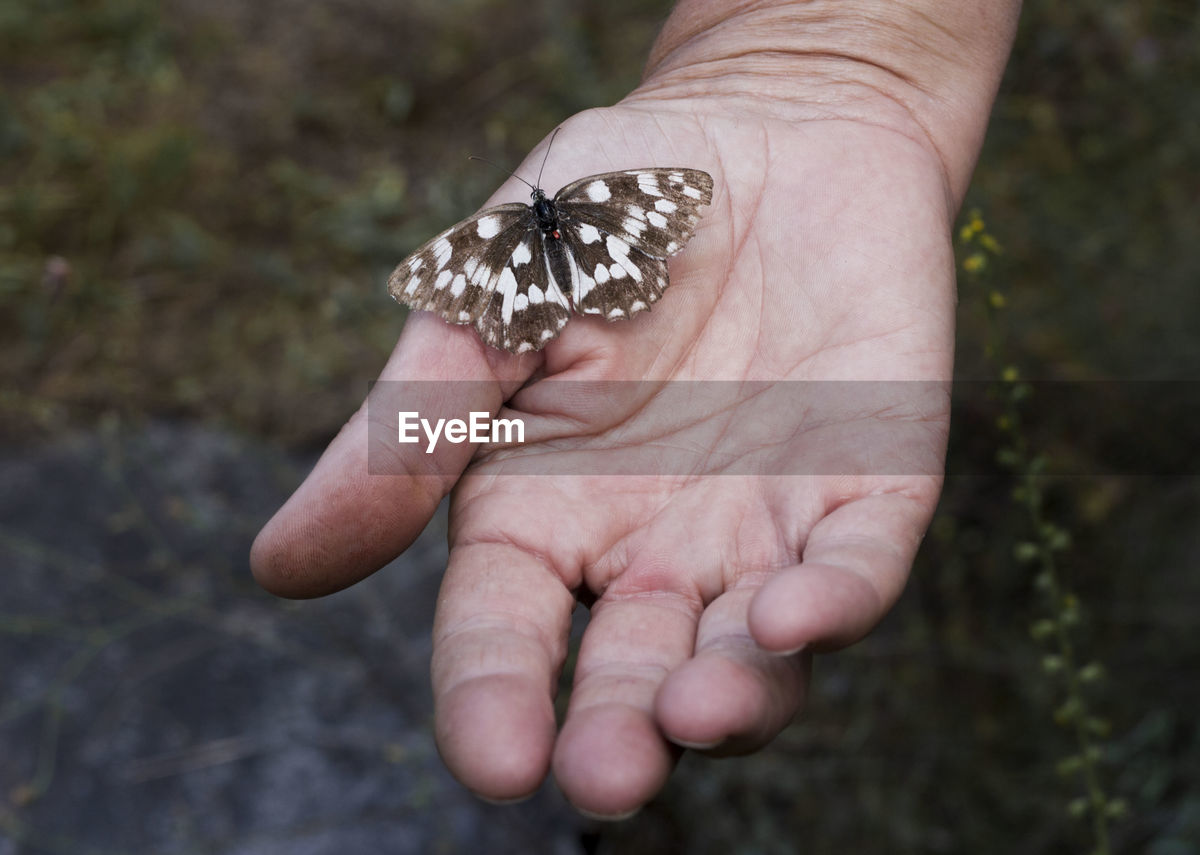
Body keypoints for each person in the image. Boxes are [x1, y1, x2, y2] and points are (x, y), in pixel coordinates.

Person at [251, 0, 1023, 820]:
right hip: (579, 254)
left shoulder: (577, 211)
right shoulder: (563, 215)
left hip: (572, 255)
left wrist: (806, 67)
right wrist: (793, 57)